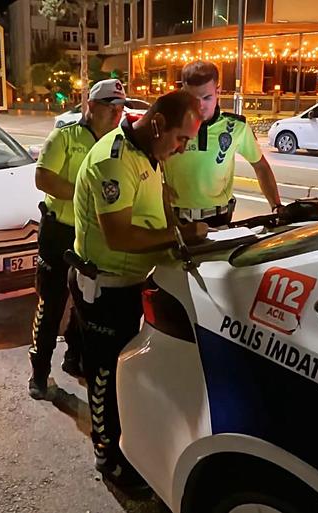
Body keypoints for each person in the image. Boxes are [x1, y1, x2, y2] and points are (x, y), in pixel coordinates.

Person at [69, 90, 208, 489]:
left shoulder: (149, 151)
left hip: (136, 282)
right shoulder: (112, 160)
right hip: (106, 286)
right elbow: (119, 236)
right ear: (158, 125)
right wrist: (179, 236)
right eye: (181, 139)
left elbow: (160, 198)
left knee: (130, 374)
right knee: (105, 375)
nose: (183, 149)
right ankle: (107, 456)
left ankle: (130, 446)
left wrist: (176, 228)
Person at [28, 79, 126, 400]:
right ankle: (39, 372)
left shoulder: (118, 142)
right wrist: (84, 193)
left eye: (120, 108)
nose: (116, 114)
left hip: (93, 236)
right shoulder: (65, 136)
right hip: (60, 233)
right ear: (91, 106)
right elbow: (43, 177)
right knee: (52, 304)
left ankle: (74, 357)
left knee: (88, 304)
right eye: (110, 107)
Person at [164, 61, 282, 227]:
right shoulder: (167, 125)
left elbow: (261, 166)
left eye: (207, 97)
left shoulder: (236, 127)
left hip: (218, 219)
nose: (200, 106)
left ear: (217, 91)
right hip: (172, 219)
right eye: (193, 98)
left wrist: (276, 206)